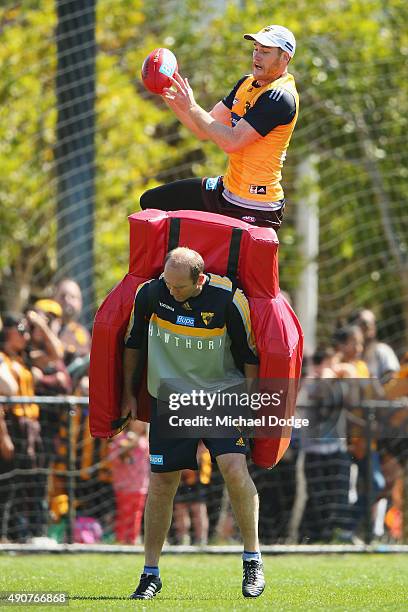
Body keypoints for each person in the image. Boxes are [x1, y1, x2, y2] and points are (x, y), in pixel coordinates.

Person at [121, 247, 264, 599]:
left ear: (200, 279)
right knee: (162, 484)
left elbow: (249, 357)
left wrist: (250, 404)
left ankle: (252, 558)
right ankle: (150, 573)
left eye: (179, 287)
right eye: (167, 283)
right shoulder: (152, 293)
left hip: (222, 396)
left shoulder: (231, 300)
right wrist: (127, 393)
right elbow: (133, 342)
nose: (171, 291)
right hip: (170, 398)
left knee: (233, 468)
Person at [141, 25, 299, 230]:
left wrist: (192, 106)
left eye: (265, 52)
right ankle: (173, 263)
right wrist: (170, 96)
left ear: (285, 58)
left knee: (218, 258)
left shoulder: (280, 97)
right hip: (227, 191)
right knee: (152, 202)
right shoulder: (246, 83)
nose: (257, 56)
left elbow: (231, 141)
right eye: (256, 48)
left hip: (255, 207)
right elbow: (203, 128)